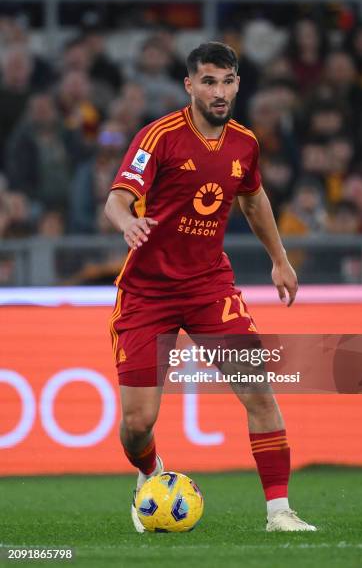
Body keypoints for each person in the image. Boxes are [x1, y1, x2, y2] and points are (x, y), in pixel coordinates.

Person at [104, 42, 316, 533]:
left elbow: (254, 198)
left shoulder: (245, 143)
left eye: (226, 82)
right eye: (208, 82)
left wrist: (280, 260)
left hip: (209, 289)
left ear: (238, 84)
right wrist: (125, 224)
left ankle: (280, 513)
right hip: (147, 293)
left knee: (260, 392)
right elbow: (117, 198)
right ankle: (149, 474)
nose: (218, 92)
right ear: (190, 86)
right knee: (137, 425)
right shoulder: (159, 137)